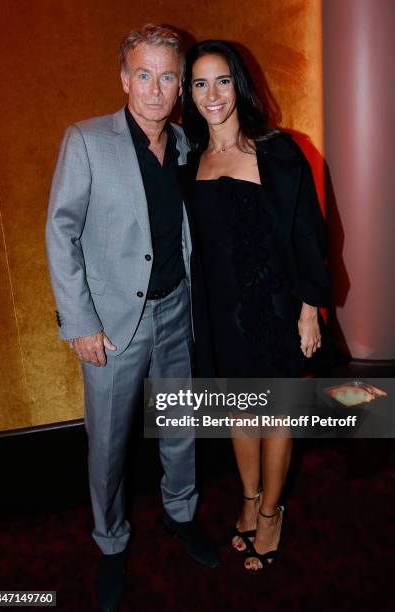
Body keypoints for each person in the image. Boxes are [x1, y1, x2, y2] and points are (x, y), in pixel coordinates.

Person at [46, 24, 218, 612]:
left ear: (178, 86)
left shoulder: (186, 144)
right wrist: (79, 322)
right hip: (115, 326)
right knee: (110, 443)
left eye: (167, 76)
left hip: (177, 311)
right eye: (142, 74)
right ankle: (112, 543)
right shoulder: (86, 141)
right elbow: (60, 232)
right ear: (124, 79)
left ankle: (180, 513)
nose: (154, 88)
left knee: (180, 428)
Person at [181, 40, 330, 572]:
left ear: (239, 85)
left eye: (222, 81)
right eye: (199, 83)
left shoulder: (280, 150)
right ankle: (248, 499)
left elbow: (310, 232)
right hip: (222, 316)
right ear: (189, 93)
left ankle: (271, 511)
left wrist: (310, 307)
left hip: (274, 306)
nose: (212, 94)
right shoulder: (187, 159)